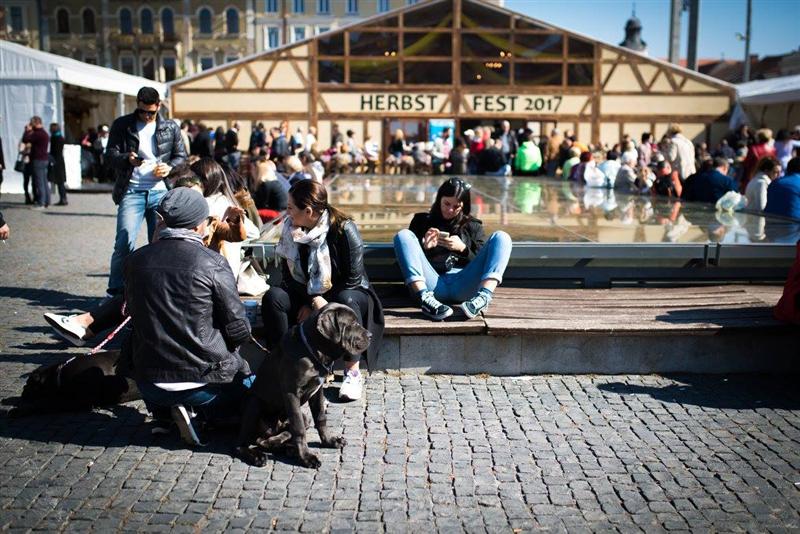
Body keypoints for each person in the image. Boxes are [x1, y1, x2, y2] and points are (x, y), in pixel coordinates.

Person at [125, 187, 252, 446]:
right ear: (198, 227)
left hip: (149, 383)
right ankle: (203, 414)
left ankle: (167, 413)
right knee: (252, 385)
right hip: (202, 382)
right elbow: (239, 328)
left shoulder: (135, 260)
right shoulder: (213, 263)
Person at [261, 180, 384, 401]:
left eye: (290, 208)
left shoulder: (344, 229)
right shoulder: (291, 230)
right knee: (274, 297)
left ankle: (352, 372)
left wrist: (319, 304)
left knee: (344, 300)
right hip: (307, 295)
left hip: (350, 293)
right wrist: (311, 303)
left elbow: (353, 279)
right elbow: (288, 279)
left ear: (308, 211)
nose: (286, 212)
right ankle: (284, 364)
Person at [105, 86, 187, 297]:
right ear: (137, 106)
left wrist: (169, 167)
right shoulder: (122, 125)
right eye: (142, 111)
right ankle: (115, 292)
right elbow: (109, 156)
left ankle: (158, 292)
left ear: (159, 106)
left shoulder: (170, 127)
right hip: (131, 191)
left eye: (151, 112)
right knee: (124, 242)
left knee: (160, 245)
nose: (147, 116)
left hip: (161, 191)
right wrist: (127, 159)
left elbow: (182, 157)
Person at [393, 177, 512, 321]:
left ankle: (484, 297)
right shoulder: (421, 221)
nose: (450, 210)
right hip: (430, 285)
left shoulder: (473, 226)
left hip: (464, 286)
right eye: (446, 204)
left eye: (456, 206)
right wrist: (425, 249)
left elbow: (485, 263)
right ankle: (424, 299)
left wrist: (463, 249)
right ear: (439, 200)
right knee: (403, 235)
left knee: (502, 237)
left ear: (464, 205)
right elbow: (407, 260)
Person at [22, 116, 50, 209]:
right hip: (44, 159)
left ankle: (41, 202)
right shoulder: (44, 133)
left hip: (38, 159)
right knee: (44, 181)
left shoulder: (38, 134)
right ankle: (46, 201)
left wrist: (26, 130)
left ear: (35, 123)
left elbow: (25, 139)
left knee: (39, 182)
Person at [48, 123, 68, 206]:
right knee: (61, 182)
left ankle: (63, 198)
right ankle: (63, 198)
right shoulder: (60, 137)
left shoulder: (55, 138)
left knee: (60, 182)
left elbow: (54, 151)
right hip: (60, 161)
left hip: (57, 161)